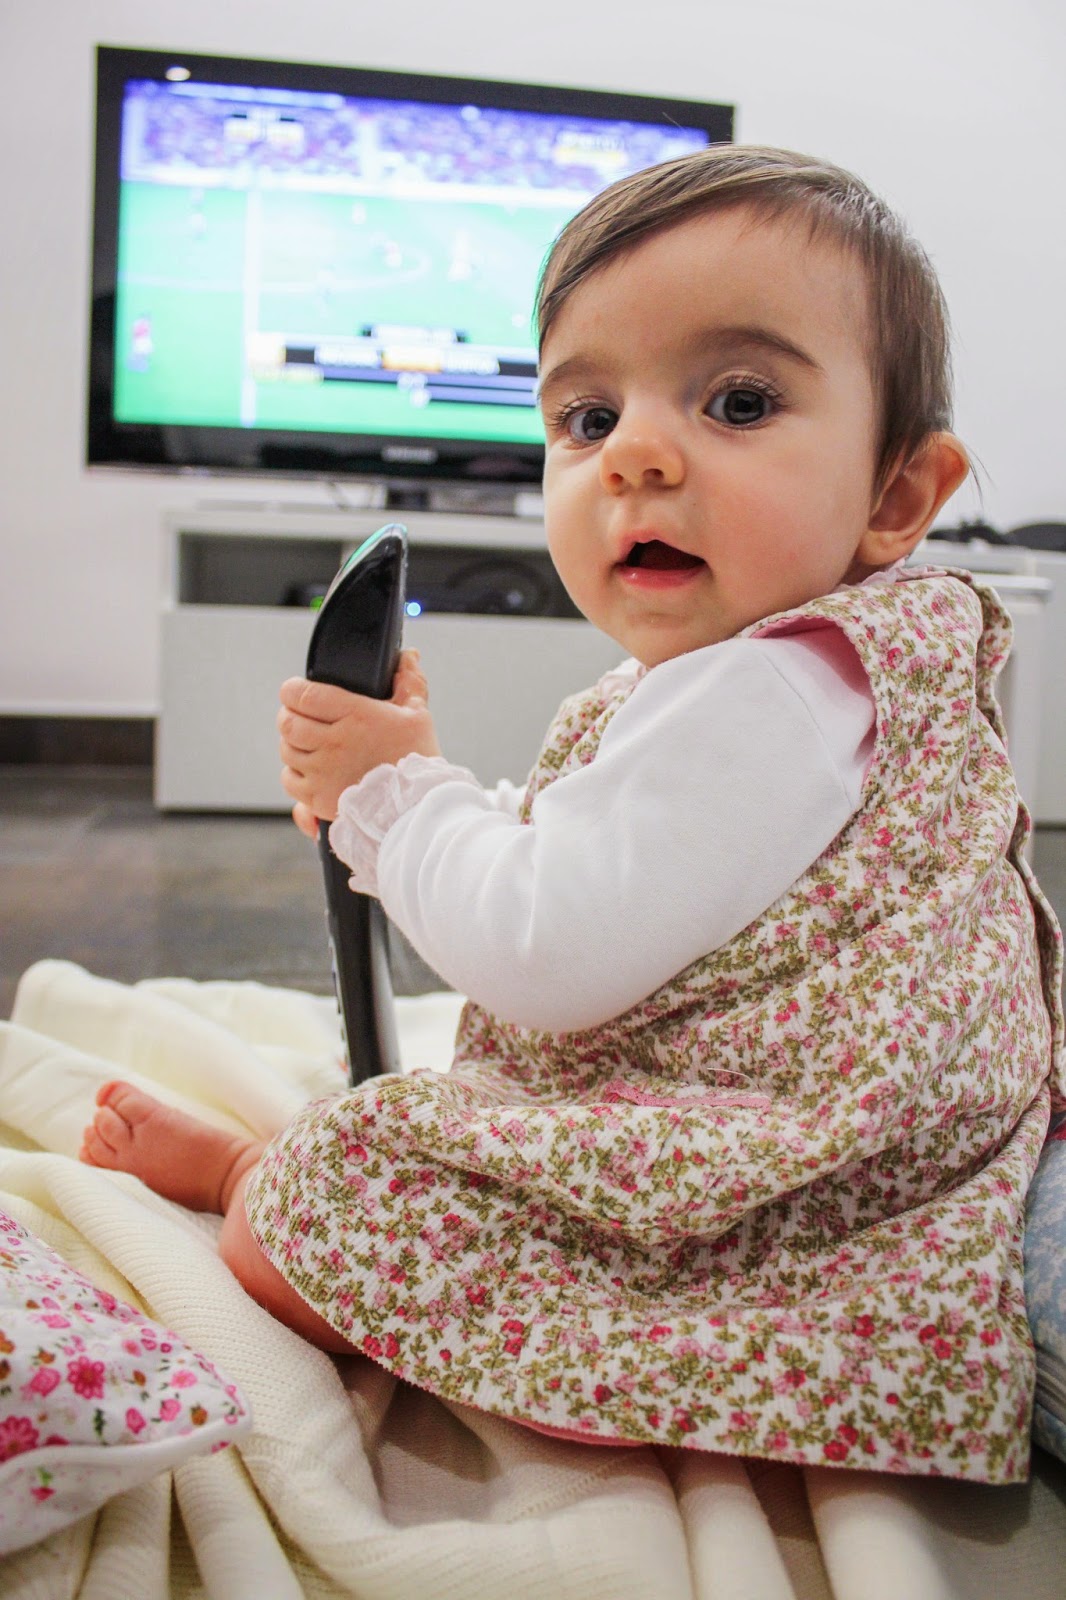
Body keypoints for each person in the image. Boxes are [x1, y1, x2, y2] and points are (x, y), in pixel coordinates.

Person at [82, 146, 1063, 1483]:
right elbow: (629, 861)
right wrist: (425, 804)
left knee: (334, 1199)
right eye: (586, 417)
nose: (636, 456)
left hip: (797, 1180)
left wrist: (392, 800)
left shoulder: (768, 693)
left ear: (895, 495)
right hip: (872, 1120)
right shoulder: (819, 661)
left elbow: (548, 951)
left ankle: (254, 1179)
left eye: (737, 401)